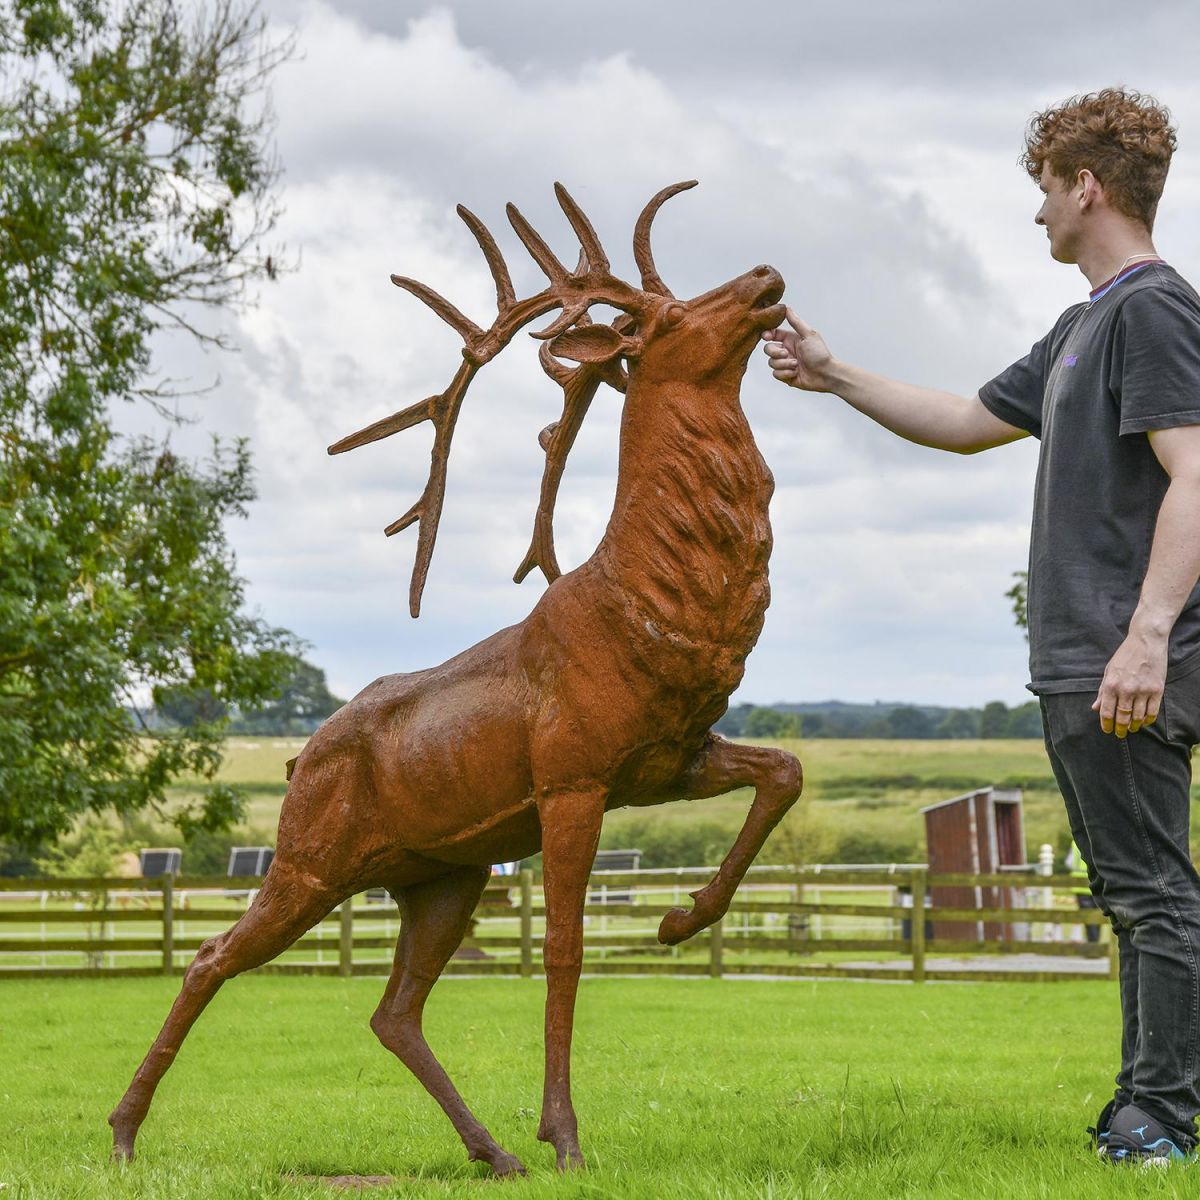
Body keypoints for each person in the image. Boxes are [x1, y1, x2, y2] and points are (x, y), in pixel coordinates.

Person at [763, 88, 1200, 1165]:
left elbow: (1197, 474)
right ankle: (1143, 1106)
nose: (1037, 210)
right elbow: (966, 423)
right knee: (1133, 892)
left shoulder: (1151, 312)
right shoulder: (1082, 325)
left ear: (1087, 186)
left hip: (1123, 658)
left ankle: (1164, 1120)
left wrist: (1146, 636)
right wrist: (831, 373)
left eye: (1045, 188)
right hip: (1081, 660)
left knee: (1153, 891)